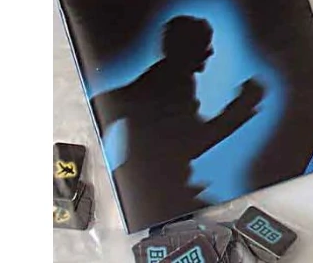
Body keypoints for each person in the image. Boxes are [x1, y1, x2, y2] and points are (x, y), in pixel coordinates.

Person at [90, 15, 264, 229]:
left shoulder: (170, 77)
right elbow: (191, 144)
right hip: (154, 191)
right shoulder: (169, 82)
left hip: (153, 187)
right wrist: (242, 106)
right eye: (204, 45)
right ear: (186, 48)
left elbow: (109, 102)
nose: (210, 52)